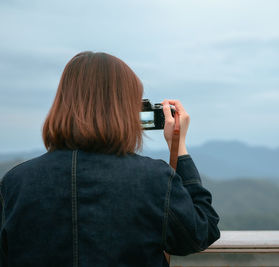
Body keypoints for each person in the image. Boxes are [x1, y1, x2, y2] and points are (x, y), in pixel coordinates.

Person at [0, 51, 220, 266]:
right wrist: (178, 146)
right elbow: (202, 231)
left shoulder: (15, 182)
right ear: (124, 111)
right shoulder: (153, 179)